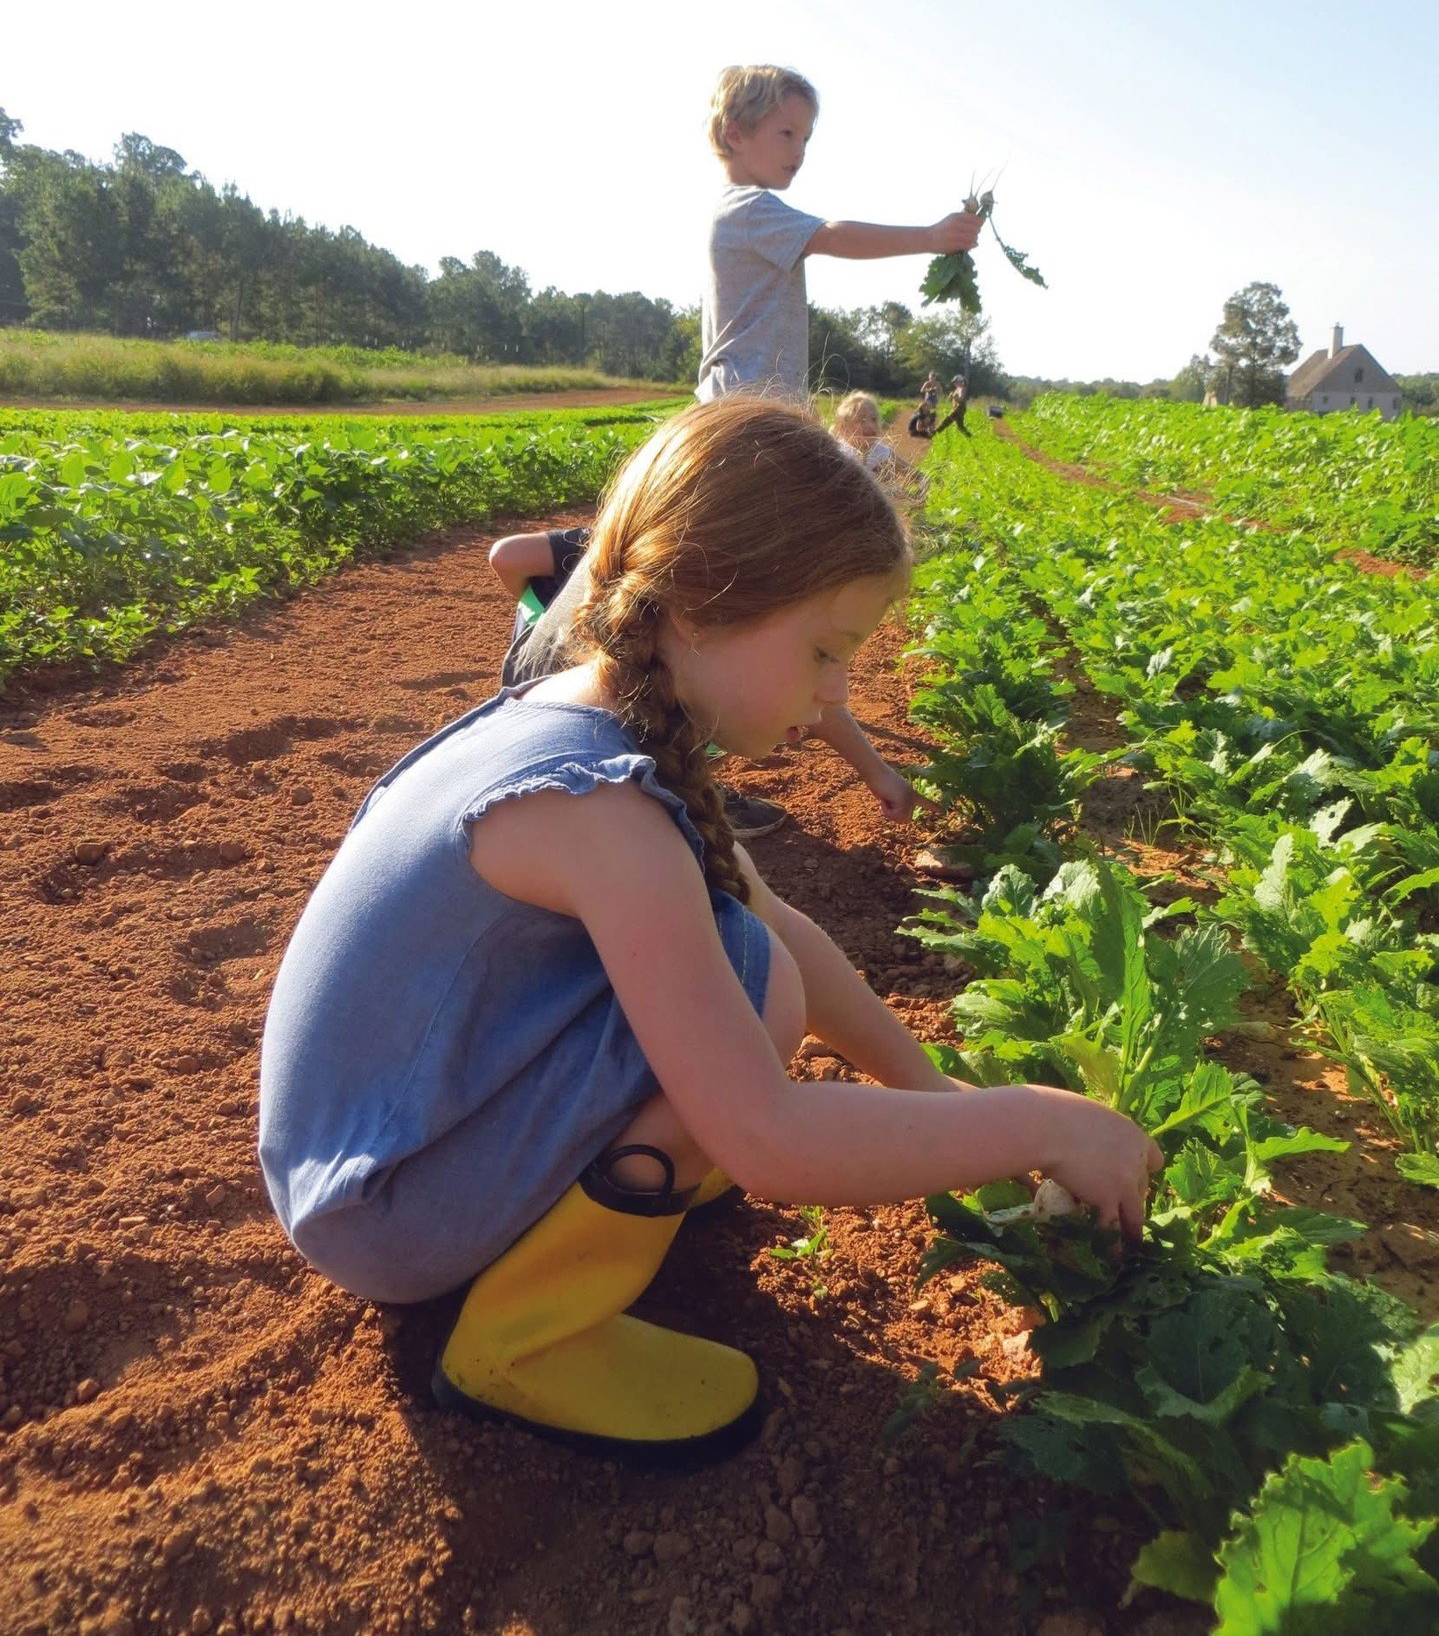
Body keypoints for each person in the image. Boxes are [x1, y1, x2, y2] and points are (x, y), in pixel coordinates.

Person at [259, 397, 1162, 1463]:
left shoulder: (594, 721)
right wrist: (1043, 1125)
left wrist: (948, 1106)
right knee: (748, 984)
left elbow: (796, 936)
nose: (836, 697)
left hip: (379, 1150)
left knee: (756, 954)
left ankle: (598, 1206)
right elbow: (766, 1136)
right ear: (700, 604)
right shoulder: (603, 812)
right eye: (826, 652)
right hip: (388, 1211)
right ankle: (520, 1339)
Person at [488, 519, 930, 827]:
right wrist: (551, 619)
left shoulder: (708, 626)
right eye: (822, 654)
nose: (837, 689)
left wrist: (878, 772)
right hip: (560, 690)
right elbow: (506, 555)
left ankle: (686, 783)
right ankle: (682, 786)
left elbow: (805, 688)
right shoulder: (627, 546)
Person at [696, 67, 982, 402]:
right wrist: (930, 238)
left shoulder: (736, 209)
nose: (799, 150)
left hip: (747, 403)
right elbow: (832, 236)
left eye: (805, 139)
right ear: (736, 135)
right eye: (787, 133)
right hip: (747, 409)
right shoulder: (749, 208)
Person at [935, 372, 971, 438]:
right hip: (957, 408)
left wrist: (954, 397)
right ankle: (970, 437)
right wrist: (951, 397)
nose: (954, 383)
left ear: (960, 381)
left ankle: (935, 433)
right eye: (954, 382)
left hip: (959, 409)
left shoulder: (963, 389)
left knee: (947, 420)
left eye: (956, 382)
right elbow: (952, 399)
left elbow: (961, 399)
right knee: (960, 426)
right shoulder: (958, 389)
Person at [908, 372, 940, 440]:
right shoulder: (927, 383)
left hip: (934, 402)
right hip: (927, 401)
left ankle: (931, 430)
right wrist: (928, 390)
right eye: (931, 378)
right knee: (925, 415)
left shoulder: (937, 383)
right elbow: (921, 390)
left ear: (935, 378)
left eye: (933, 378)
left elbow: (940, 391)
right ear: (929, 377)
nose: (932, 379)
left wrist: (936, 389)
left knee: (933, 416)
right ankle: (925, 429)